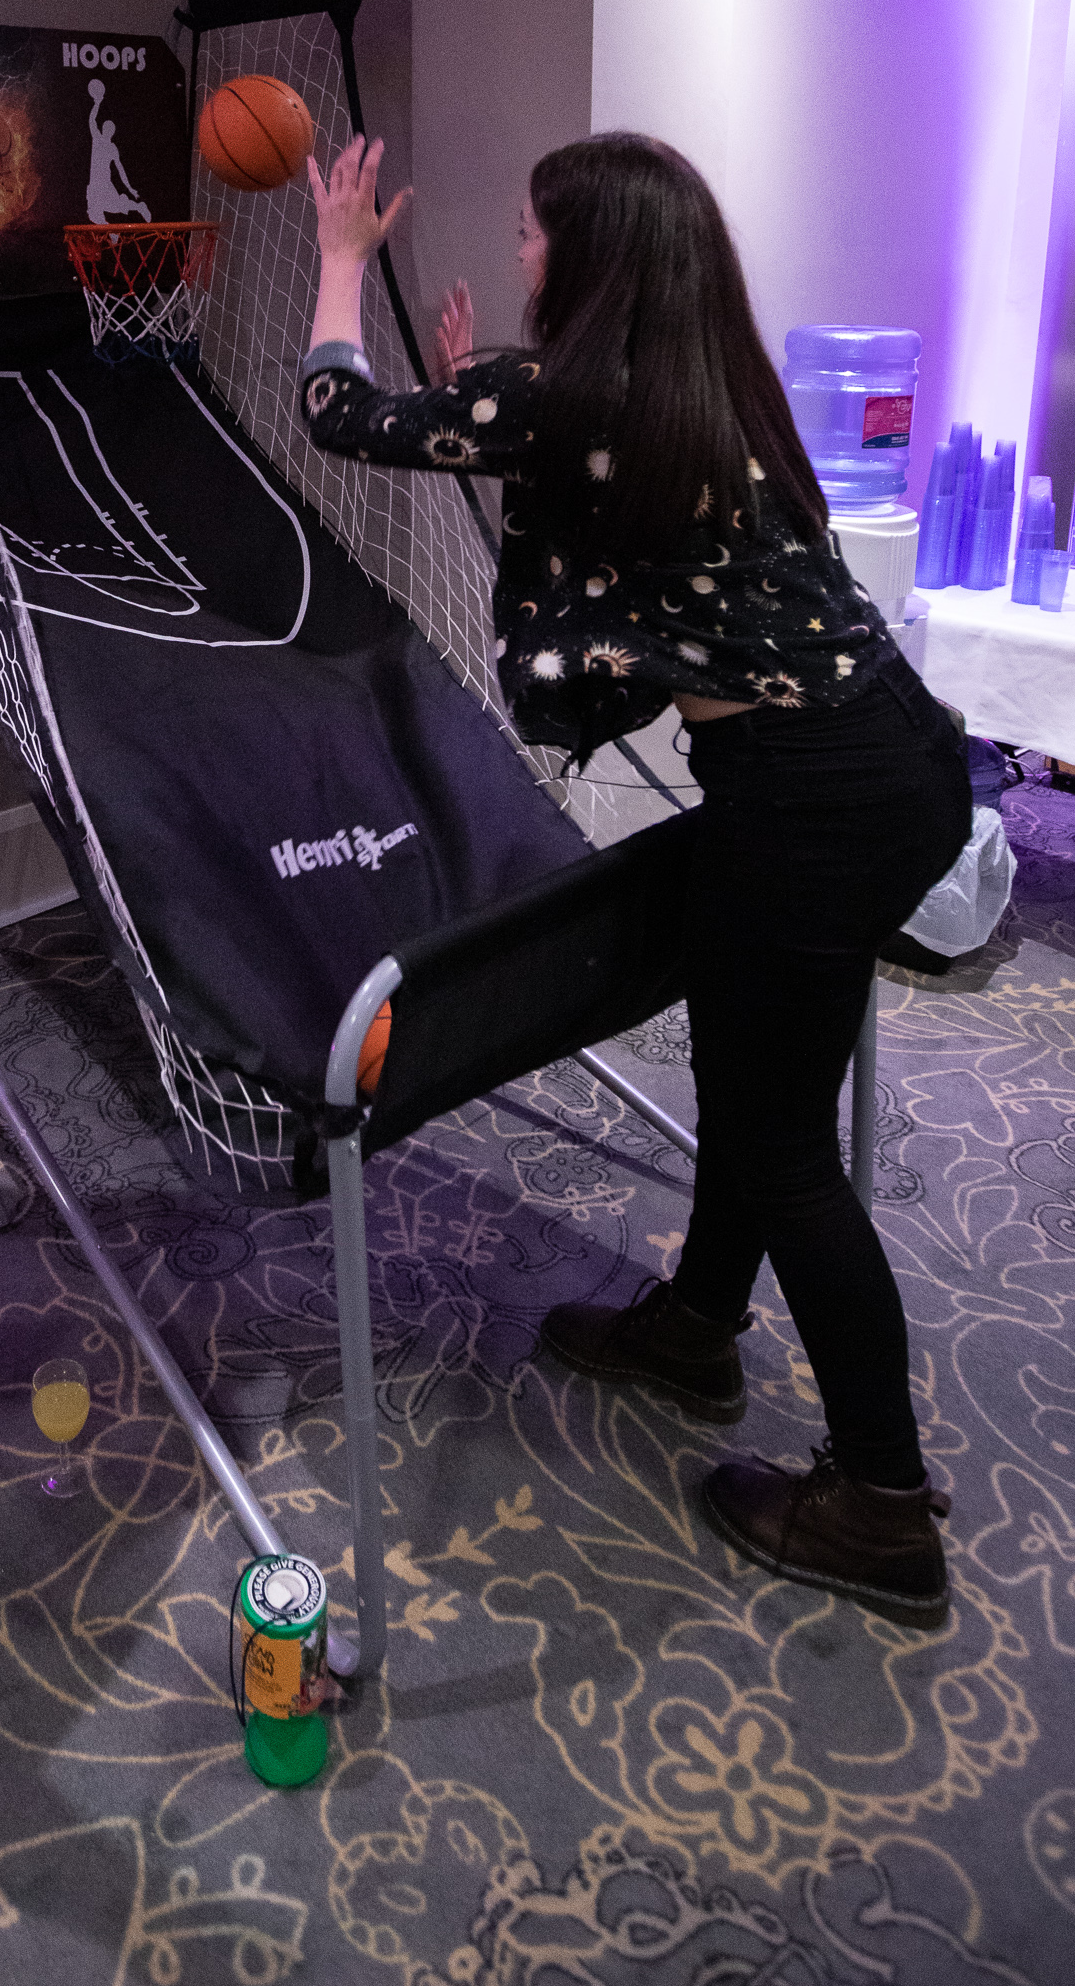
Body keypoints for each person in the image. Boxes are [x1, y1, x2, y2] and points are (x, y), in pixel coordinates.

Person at [299, 130, 971, 1630]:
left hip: (808, 799)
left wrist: (343, 257)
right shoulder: (705, 386)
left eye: (536, 234)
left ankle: (881, 1502)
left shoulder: (570, 399)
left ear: (594, 256)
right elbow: (577, 484)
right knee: (758, 1082)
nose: (523, 253)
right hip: (894, 766)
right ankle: (697, 1326)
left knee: (781, 1146)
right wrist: (493, 406)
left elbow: (339, 413)